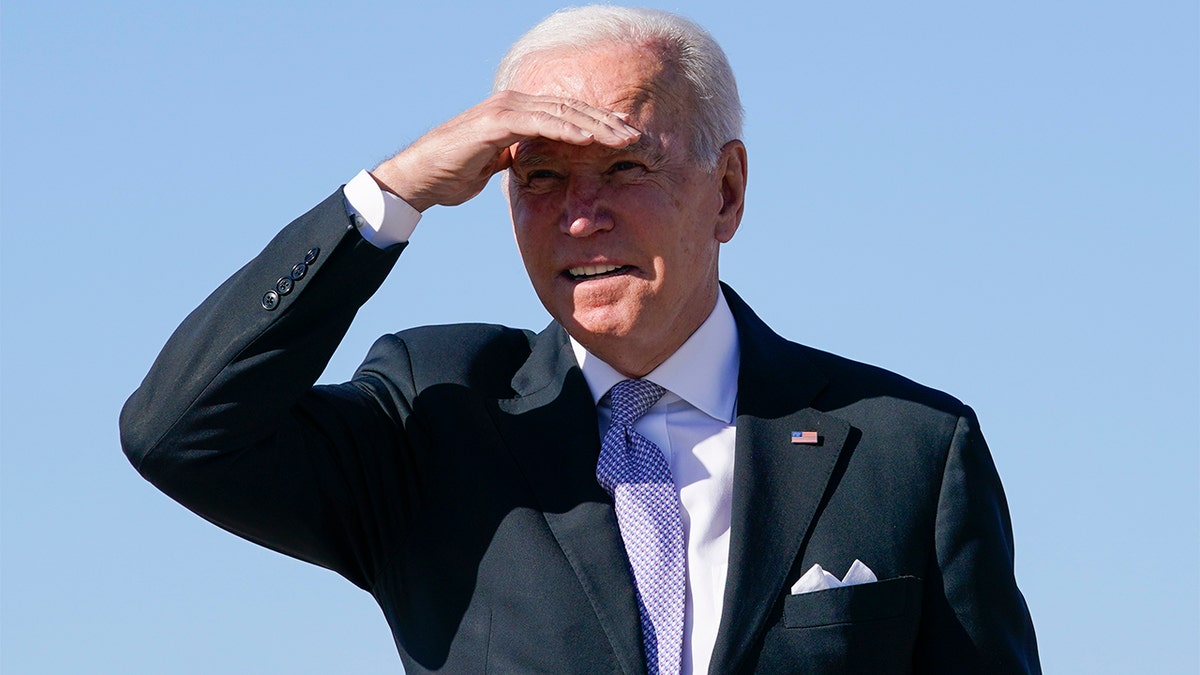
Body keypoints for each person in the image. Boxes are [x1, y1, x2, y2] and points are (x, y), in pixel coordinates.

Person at [120, 6, 1040, 674]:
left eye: (626, 166)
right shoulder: (438, 418)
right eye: (543, 176)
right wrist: (392, 193)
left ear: (726, 191)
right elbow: (181, 432)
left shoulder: (905, 445)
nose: (582, 216)